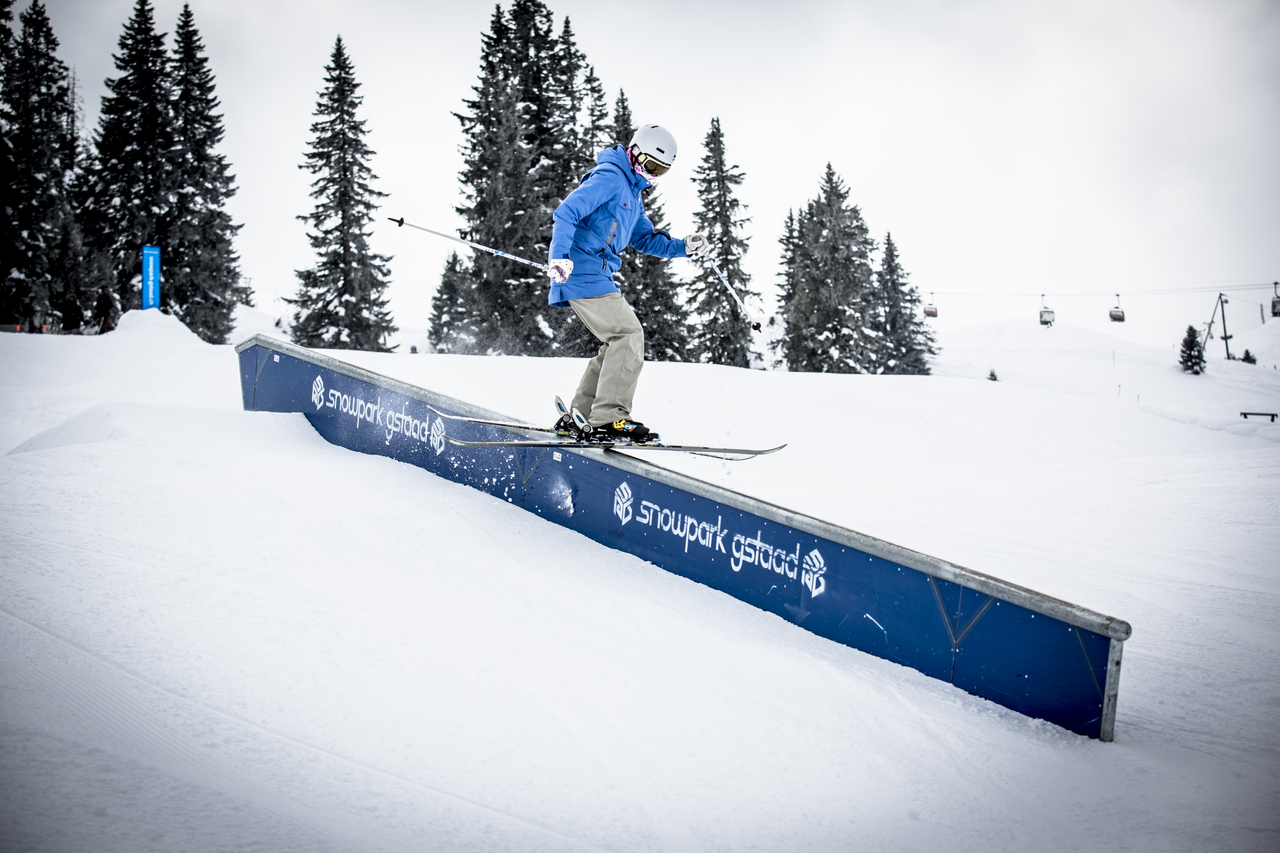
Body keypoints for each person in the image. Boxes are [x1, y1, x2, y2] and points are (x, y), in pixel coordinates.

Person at [547, 123, 709, 442]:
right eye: (650, 166)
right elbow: (566, 213)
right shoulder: (609, 177)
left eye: (661, 171)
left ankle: (580, 416)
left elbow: (645, 238)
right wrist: (559, 256)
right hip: (580, 268)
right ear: (634, 152)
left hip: (597, 272)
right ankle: (610, 417)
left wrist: (683, 247)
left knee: (616, 340)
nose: (652, 175)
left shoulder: (633, 194)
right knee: (628, 334)